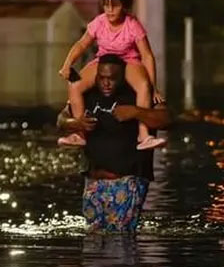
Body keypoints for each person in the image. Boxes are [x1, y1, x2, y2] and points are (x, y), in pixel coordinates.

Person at [57, 54, 171, 232]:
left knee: (119, 240)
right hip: (93, 183)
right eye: (102, 78)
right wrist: (75, 123)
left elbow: (166, 119)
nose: (106, 83)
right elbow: (61, 118)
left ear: (123, 77)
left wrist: (135, 112)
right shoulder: (88, 94)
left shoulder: (140, 93)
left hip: (127, 182)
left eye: (112, 79)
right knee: (93, 239)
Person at [58, 0, 166, 151]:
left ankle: (144, 135)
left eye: (114, 5)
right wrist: (67, 64)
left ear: (124, 6)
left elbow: (146, 55)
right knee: (75, 84)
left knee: (143, 86)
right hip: (103, 60)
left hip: (128, 60)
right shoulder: (99, 22)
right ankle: (79, 134)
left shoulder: (132, 24)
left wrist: (154, 87)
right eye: (106, 5)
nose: (109, 10)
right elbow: (81, 44)